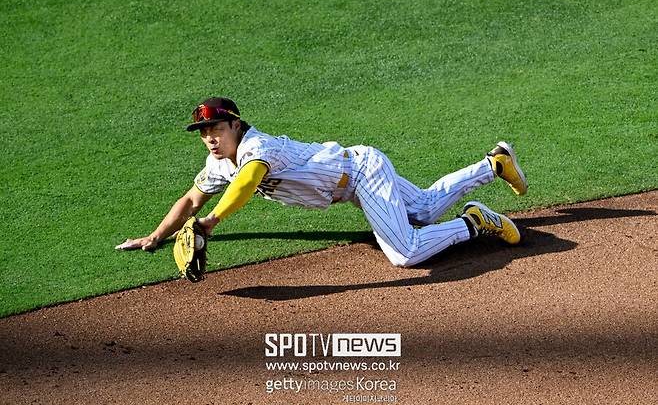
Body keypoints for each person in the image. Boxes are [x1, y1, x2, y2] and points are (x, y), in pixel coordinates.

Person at [116, 97, 528, 267]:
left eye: (216, 129)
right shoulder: (219, 161)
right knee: (422, 208)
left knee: (405, 253)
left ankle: (475, 222)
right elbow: (192, 198)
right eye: (203, 132)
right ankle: (493, 164)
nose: (209, 138)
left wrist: (212, 223)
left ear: (235, 125)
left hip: (362, 171)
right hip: (353, 179)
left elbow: (246, 184)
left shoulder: (259, 146)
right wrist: (155, 236)